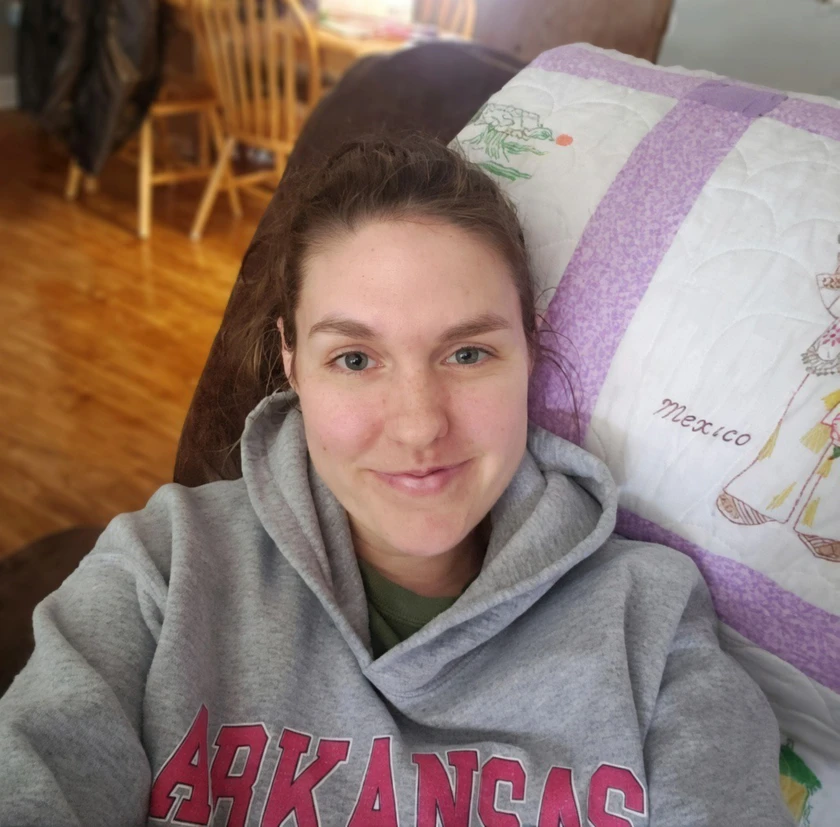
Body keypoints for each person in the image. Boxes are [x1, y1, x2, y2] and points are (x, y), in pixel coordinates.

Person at [0, 135, 794, 826]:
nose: (418, 426)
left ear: (529, 348)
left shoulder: (651, 625)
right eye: (355, 358)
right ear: (291, 361)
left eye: (468, 353)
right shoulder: (162, 568)